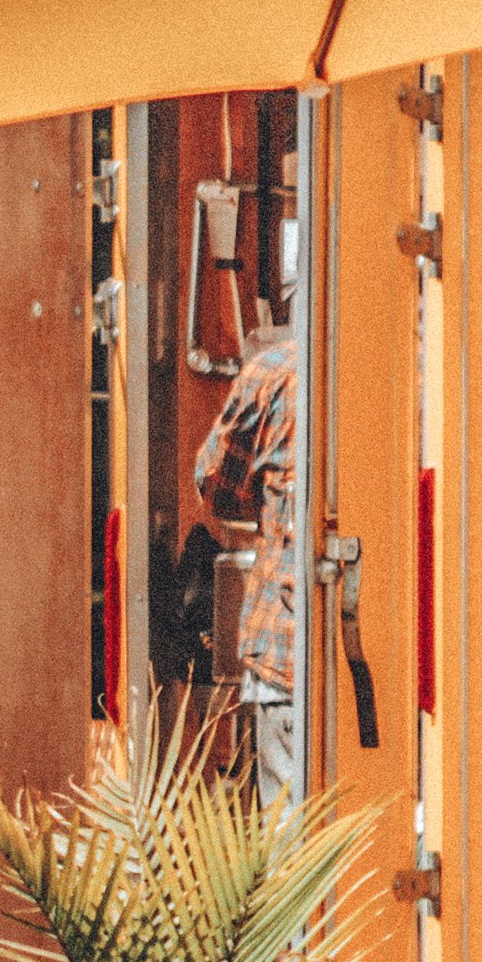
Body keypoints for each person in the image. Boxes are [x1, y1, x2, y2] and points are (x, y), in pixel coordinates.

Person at [192, 331, 303, 802]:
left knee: (290, 853)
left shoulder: (276, 370)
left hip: (286, 651)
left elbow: (216, 485)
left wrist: (274, 503)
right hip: (394, 658)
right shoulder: (419, 361)